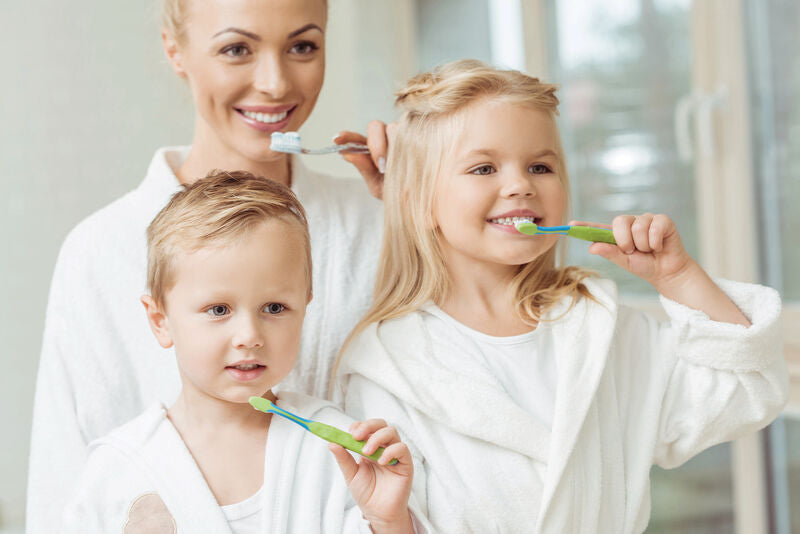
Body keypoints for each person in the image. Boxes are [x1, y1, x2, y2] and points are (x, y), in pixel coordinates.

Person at [332, 60, 789, 533]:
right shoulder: (388, 364)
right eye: (484, 167)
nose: (520, 185)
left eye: (540, 166)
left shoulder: (600, 327)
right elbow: (377, 512)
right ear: (416, 201)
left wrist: (679, 277)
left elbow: (743, 395)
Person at [28, 0, 391, 531]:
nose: (274, 83)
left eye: (302, 46)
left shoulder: (379, 225)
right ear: (175, 50)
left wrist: (431, 204)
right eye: (237, 49)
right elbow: (60, 491)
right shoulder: (98, 251)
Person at [60, 171, 429, 533]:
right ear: (161, 320)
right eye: (219, 310)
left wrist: (389, 521)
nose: (249, 336)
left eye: (274, 308)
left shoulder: (340, 453)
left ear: (305, 308)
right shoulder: (117, 470)